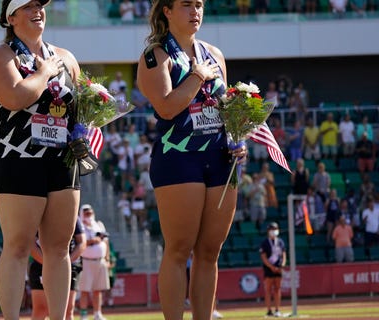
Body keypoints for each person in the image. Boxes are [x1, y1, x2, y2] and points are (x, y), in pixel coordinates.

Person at [135, 0, 247, 318]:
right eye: (186, 5)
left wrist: (239, 137)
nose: (195, 11)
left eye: (199, 5)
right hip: (178, 157)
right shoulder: (155, 55)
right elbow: (167, 107)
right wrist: (197, 75)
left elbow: (226, 107)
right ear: (167, 11)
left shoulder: (215, 54)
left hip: (221, 156)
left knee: (210, 251)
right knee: (179, 248)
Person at [0, 1, 82, 319]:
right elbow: (15, 98)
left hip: (61, 159)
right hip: (19, 156)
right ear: (11, 18)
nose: (37, 10)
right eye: (27, 6)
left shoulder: (66, 57)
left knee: (59, 248)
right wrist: (43, 72)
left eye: (39, 5)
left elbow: (80, 110)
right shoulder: (1, 57)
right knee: (18, 246)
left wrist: (87, 132)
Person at [30, 218, 85, 320]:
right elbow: (31, 244)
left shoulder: (71, 215)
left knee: (68, 309)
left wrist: (67, 263)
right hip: (40, 265)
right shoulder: (37, 214)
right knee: (41, 309)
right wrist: (48, 265)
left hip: (69, 266)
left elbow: (82, 242)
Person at [77, 205, 110, 320]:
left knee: (98, 290)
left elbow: (106, 242)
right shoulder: (79, 225)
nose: (88, 214)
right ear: (81, 213)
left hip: (100, 261)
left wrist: (107, 259)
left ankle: (97, 313)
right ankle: (84, 315)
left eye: (90, 212)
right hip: (86, 261)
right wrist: (93, 241)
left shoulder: (99, 225)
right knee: (84, 290)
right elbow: (79, 242)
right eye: (86, 213)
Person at [259, 222, 285, 318]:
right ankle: (269, 310)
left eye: (275, 229)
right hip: (269, 268)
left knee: (278, 289)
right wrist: (271, 267)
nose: (274, 231)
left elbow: (283, 254)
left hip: (278, 268)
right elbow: (264, 257)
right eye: (272, 229)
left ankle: (277, 309)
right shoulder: (265, 243)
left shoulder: (280, 242)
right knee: (268, 290)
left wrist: (282, 265)